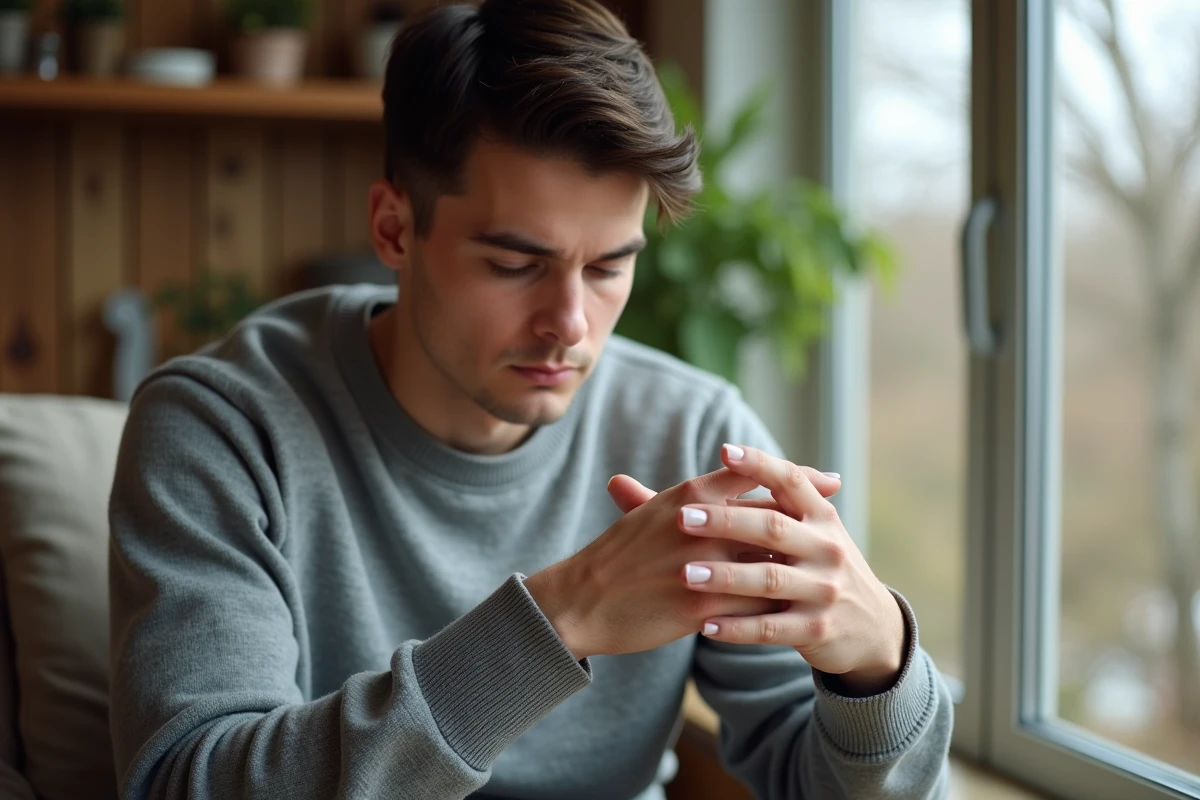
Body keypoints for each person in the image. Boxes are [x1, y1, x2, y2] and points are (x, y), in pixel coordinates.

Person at [107, 1, 953, 797]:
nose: (570, 325)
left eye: (610, 266)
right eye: (516, 265)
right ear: (394, 229)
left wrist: (876, 669)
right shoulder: (220, 426)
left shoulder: (693, 430)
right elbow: (192, 779)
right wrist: (561, 617)